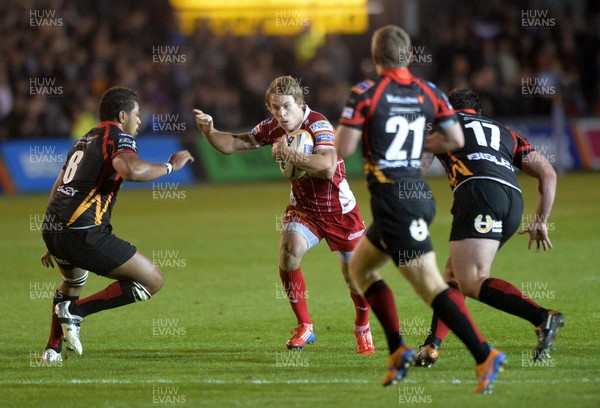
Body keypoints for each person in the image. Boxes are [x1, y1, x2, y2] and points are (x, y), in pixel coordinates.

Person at [335, 25, 505, 394]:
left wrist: (361, 127)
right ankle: (397, 349)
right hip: (414, 196)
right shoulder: (431, 92)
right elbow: (455, 139)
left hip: (397, 202)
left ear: (375, 57)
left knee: (431, 286)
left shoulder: (366, 93)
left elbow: (344, 147)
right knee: (359, 270)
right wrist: (415, 142)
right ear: (409, 57)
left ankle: (484, 354)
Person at [193, 76, 375, 354]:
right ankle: (305, 325)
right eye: (275, 108)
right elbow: (233, 145)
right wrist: (209, 130)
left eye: (287, 107)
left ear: (301, 104)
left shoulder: (319, 125)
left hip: (340, 211)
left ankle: (362, 325)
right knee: (289, 252)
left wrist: (291, 155)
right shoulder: (272, 127)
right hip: (304, 209)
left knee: (355, 277)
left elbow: (327, 166)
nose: (282, 114)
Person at [40, 86, 194, 361]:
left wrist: (54, 234)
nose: (139, 120)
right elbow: (131, 170)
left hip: (55, 226)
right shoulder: (118, 137)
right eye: (136, 114)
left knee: (72, 281)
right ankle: (76, 313)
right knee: (152, 280)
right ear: (123, 115)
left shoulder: (85, 138)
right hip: (82, 232)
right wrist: (171, 167)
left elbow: (59, 184)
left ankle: (52, 350)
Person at [414, 89, 564, 367]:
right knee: (454, 274)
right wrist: (541, 220)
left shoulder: (445, 122)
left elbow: (418, 166)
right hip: (512, 202)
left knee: (472, 279)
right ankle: (432, 346)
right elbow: (548, 173)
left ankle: (543, 317)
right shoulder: (504, 131)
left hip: (478, 194)